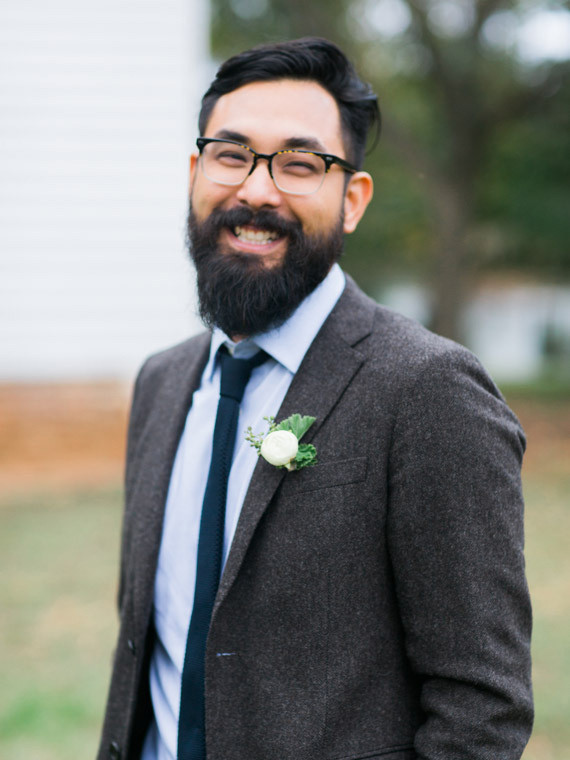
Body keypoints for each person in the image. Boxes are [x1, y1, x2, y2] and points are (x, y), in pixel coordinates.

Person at [97, 37, 533, 760]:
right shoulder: (161, 383)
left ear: (352, 200)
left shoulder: (428, 391)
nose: (257, 191)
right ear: (195, 173)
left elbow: (482, 709)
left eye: (300, 164)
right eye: (231, 155)